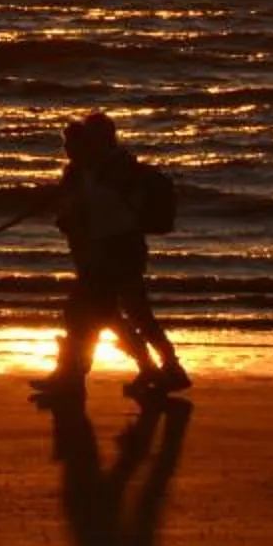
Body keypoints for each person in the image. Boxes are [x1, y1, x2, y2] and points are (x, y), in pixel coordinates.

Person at [30, 111, 192, 406]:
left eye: (78, 142)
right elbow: (78, 212)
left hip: (120, 250)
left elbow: (113, 212)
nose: (70, 150)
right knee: (128, 312)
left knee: (87, 313)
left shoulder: (118, 171)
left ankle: (74, 378)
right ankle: (163, 369)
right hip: (98, 251)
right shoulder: (81, 172)